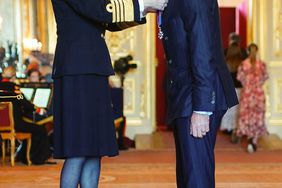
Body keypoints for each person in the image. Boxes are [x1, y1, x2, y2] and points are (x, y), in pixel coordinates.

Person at [51, 0, 168, 187]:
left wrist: (143, 9)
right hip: (77, 69)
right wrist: (143, 3)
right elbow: (98, 9)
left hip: (92, 67)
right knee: (78, 150)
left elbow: (107, 19)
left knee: (94, 148)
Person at [159, 0, 238, 187]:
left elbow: (203, 52)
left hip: (196, 98)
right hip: (186, 95)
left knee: (196, 179)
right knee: (188, 177)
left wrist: (202, 109)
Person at [236, 43, 268, 153]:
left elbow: (240, 78)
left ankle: (250, 139)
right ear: (257, 51)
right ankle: (253, 140)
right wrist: (257, 84)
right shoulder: (262, 65)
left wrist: (248, 84)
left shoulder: (243, 64)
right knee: (257, 117)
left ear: (248, 51)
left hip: (248, 93)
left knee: (248, 116)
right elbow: (265, 77)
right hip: (258, 94)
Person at [220, 42, 244, 138]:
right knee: (238, 110)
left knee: (229, 111)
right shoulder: (242, 63)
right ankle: (237, 128)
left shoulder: (225, 63)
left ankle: (229, 128)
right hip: (240, 89)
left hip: (229, 90)